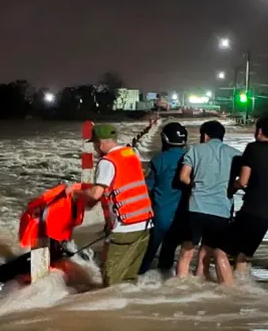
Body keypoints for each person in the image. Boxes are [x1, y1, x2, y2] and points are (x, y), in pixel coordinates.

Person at [71, 124, 153, 286]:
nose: (94, 148)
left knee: (112, 283)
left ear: (100, 143)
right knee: (129, 279)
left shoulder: (107, 162)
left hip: (126, 226)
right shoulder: (130, 153)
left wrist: (74, 192)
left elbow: (96, 194)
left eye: (95, 144)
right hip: (145, 223)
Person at [214, 116, 268, 277]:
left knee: (220, 252)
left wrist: (230, 188)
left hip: (251, 210)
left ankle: (227, 291)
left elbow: (243, 181)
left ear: (259, 131)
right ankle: (241, 288)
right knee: (242, 256)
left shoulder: (253, 149)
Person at [175, 120, 241, 284]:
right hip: (222, 210)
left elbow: (183, 177)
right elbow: (242, 180)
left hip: (196, 206)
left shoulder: (195, 150)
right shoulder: (236, 154)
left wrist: (196, 185)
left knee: (187, 251)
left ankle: (180, 287)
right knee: (211, 249)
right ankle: (211, 281)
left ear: (205, 135)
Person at [139, 122, 188, 274]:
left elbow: (147, 187)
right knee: (169, 252)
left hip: (160, 216)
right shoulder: (191, 158)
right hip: (184, 216)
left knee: (147, 254)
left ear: (164, 139)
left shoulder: (158, 160)